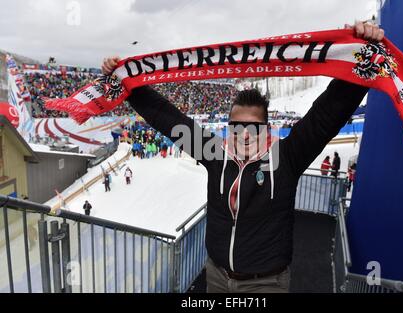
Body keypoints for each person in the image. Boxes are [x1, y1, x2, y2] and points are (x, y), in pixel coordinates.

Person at [102, 21, 384, 293]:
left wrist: (361, 58)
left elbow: (327, 114)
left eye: (253, 127)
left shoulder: (285, 159)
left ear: (266, 129)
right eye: (236, 127)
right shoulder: (214, 155)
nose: (244, 135)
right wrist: (128, 83)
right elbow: (168, 118)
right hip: (217, 275)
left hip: (266, 283)